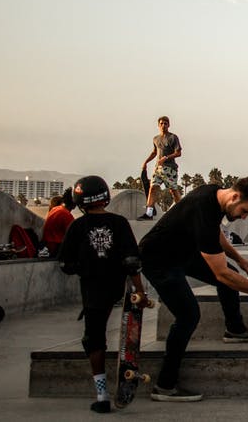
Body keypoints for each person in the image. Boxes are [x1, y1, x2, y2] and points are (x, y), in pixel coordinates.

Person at [138, 177, 248, 402]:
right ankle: (165, 385)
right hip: (159, 259)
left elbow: (215, 233)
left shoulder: (214, 195)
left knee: (232, 271)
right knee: (188, 315)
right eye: (244, 211)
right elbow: (222, 274)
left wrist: (238, 258)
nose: (243, 217)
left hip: (183, 253)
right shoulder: (202, 208)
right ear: (235, 197)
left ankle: (235, 329)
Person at [57, 176, 148, 414]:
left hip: (92, 289)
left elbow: (65, 264)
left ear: (80, 201)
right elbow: (132, 262)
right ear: (105, 197)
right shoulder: (119, 223)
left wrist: (85, 266)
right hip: (115, 285)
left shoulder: (77, 226)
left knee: (93, 338)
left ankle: (102, 394)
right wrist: (139, 290)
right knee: (100, 328)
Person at [140, 116, 183, 220]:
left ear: (169, 125)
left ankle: (182, 210)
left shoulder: (173, 137)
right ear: (158, 125)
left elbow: (178, 153)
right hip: (158, 168)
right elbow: (155, 152)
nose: (163, 125)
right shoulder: (156, 139)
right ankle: (149, 213)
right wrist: (146, 162)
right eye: (161, 123)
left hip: (170, 168)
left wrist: (166, 158)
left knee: (173, 190)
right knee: (152, 188)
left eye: (165, 123)